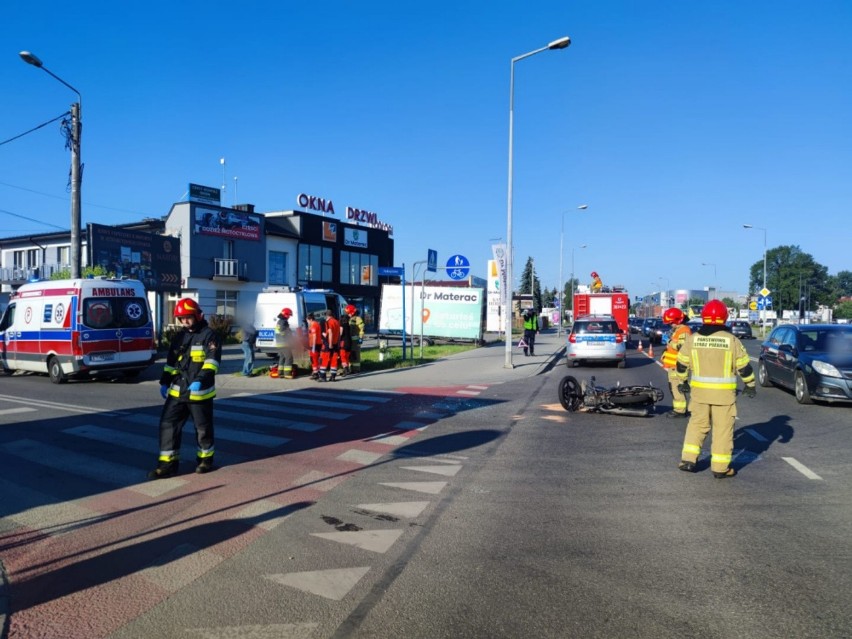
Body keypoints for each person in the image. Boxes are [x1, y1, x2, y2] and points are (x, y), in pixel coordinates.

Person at [675, 299, 756, 479]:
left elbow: (681, 364)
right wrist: (750, 385)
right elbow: (744, 367)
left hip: (699, 394)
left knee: (697, 425)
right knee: (722, 430)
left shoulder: (693, 339)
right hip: (723, 397)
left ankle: (688, 460)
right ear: (724, 317)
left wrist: (682, 382)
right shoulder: (731, 340)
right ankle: (720, 468)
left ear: (703, 317)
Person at [149, 298, 221, 479]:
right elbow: (171, 363)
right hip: (177, 390)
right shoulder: (179, 337)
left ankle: (205, 460)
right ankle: (167, 465)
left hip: (199, 392)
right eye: (181, 319)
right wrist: (165, 381)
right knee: (167, 425)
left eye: (187, 318)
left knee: (203, 428)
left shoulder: (209, 335)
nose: (184, 322)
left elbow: (212, 363)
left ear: (197, 315)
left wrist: (200, 381)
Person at [660, 307, 693, 418]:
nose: (670, 325)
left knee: (677, 387)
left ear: (678, 321)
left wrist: (669, 341)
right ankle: (679, 408)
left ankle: (680, 410)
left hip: (677, 365)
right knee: (673, 387)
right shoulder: (678, 330)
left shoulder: (684, 330)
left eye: (671, 323)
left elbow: (682, 347)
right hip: (673, 365)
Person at [271, 307, 296, 379]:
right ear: (285, 314)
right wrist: (289, 333)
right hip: (284, 343)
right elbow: (283, 332)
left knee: (282, 358)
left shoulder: (279, 321)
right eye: (289, 315)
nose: (289, 317)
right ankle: (287, 374)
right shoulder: (283, 322)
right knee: (289, 358)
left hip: (279, 343)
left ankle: (280, 373)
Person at [318, 309, 341, 382]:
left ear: (326, 315)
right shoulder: (337, 322)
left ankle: (322, 377)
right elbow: (338, 333)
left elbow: (330, 333)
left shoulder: (328, 322)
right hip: (335, 343)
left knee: (323, 359)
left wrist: (330, 343)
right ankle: (333, 376)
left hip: (328, 344)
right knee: (334, 360)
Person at [347, 304, 365, 373]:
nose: (347, 313)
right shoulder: (349, 318)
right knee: (350, 354)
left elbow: (362, 329)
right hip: (349, 340)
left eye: (348, 312)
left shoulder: (358, 319)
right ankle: (350, 368)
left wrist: (360, 338)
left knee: (356, 354)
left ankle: (356, 369)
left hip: (356, 340)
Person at [306, 312, 323, 380]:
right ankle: (316, 372)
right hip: (315, 344)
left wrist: (313, 346)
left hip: (315, 344)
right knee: (315, 359)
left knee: (314, 359)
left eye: (307, 320)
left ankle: (316, 373)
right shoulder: (314, 324)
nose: (307, 322)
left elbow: (314, 335)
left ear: (310, 319)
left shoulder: (314, 325)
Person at [339, 310, 353, 376]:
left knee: (342, 356)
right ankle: (346, 370)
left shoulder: (342, 325)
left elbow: (341, 333)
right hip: (349, 342)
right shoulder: (348, 325)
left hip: (343, 341)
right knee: (347, 356)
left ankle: (346, 368)